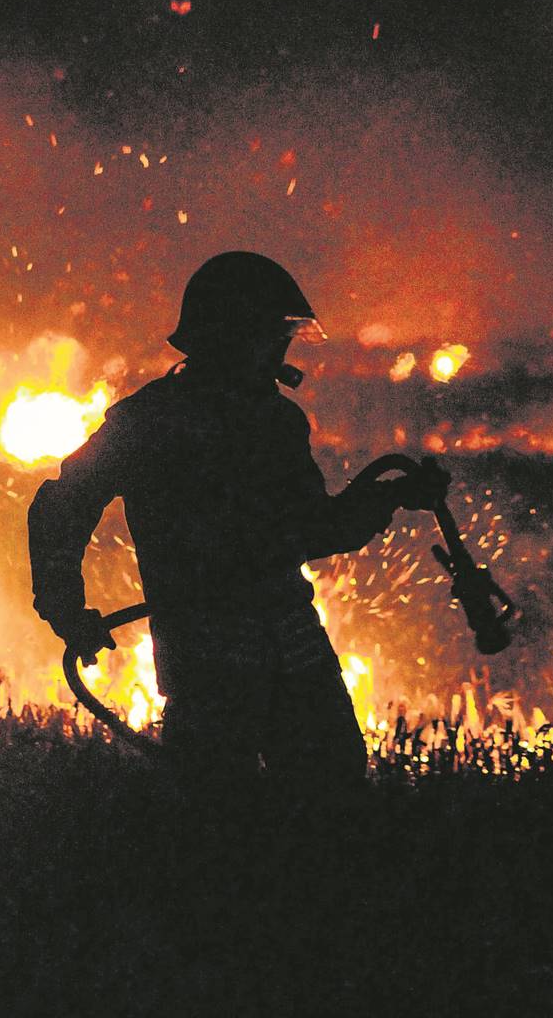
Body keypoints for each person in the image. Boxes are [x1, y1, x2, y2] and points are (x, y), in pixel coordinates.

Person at [28, 251, 433, 798]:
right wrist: (65, 608)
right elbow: (63, 505)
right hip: (213, 663)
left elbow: (312, 530)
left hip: (282, 649)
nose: (280, 353)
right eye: (271, 338)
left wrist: (391, 497)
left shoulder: (267, 420)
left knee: (322, 793)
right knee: (230, 809)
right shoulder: (156, 423)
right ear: (234, 336)